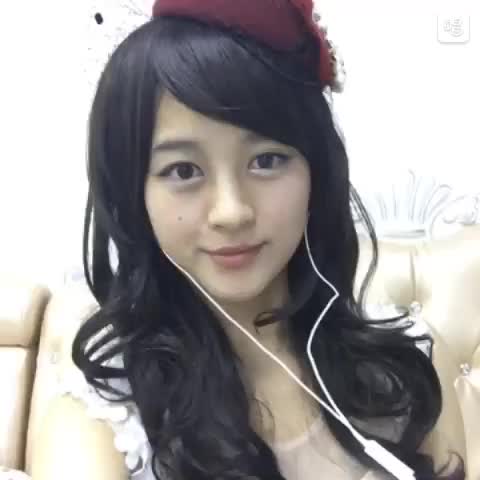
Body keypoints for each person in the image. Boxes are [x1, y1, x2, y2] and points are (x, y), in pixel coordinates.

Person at [32, 1, 464, 479]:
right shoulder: (96, 426)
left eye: (267, 160)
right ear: (135, 193)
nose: (232, 211)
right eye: (183, 170)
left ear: (317, 172)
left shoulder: (409, 366)